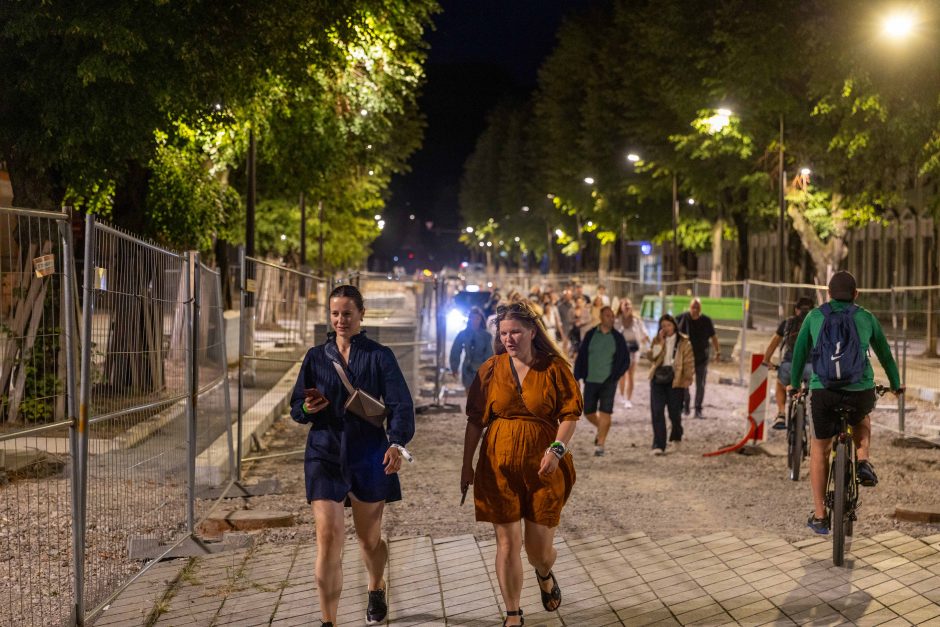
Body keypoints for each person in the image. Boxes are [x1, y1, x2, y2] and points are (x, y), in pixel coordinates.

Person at [289, 285, 415, 627]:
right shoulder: (316, 357)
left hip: (368, 452)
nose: (341, 319)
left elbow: (401, 405)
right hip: (324, 452)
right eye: (335, 313)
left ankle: (376, 586)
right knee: (328, 538)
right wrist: (306, 406)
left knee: (368, 539)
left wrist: (396, 443)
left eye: (347, 313)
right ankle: (328, 620)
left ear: (361, 315)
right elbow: (296, 408)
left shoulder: (379, 355)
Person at [461, 301, 583, 627]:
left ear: (531, 331)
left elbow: (571, 413)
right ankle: (513, 613)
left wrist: (557, 450)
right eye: (503, 333)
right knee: (507, 542)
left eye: (515, 331)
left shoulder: (555, 368)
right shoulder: (490, 369)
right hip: (497, 464)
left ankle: (544, 573)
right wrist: (466, 465)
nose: (509, 338)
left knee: (538, 551)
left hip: (544, 465)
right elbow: (475, 420)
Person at [788, 271, 902, 535]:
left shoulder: (815, 316)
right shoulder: (865, 317)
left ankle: (819, 515)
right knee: (862, 419)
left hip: (823, 391)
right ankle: (862, 460)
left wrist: (795, 384)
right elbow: (885, 353)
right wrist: (895, 384)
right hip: (859, 390)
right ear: (856, 294)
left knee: (820, 448)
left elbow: (799, 353)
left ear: (828, 294)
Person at [574, 306, 631, 456]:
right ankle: (602, 429)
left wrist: (616, 376)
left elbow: (625, 360)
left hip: (609, 381)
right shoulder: (591, 334)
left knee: (606, 412)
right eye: (608, 316)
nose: (611, 319)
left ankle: (600, 444)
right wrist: (577, 377)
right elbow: (581, 357)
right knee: (588, 412)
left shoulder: (618, 337)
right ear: (600, 317)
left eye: (612, 316)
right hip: (591, 380)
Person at [761, 297, 815, 429]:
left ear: (796, 310)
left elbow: (774, 343)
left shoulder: (787, 323)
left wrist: (766, 360)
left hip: (789, 365)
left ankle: (781, 413)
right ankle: (809, 414)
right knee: (812, 389)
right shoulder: (818, 323)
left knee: (780, 383)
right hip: (811, 367)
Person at [646, 314, 695, 455]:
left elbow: (689, 362)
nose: (666, 328)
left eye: (668, 325)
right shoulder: (658, 340)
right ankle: (658, 444)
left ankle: (676, 436)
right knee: (657, 411)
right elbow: (652, 357)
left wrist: (687, 379)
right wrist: (660, 343)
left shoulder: (684, 342)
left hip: (675, 380)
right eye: (663, 326)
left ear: (674, 325)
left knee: (675, 413)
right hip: (658, 379)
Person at [676, 299, 720, 419]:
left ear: (700, 309)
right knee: (684, 383)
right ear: (689, 307)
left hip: (701, 357)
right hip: (686, 357)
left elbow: (714, 337)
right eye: (693, 307)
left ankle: (698, 409)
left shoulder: (706, 320)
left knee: (700, 384)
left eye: (697, 308)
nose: (695, 310)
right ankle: (685, 405)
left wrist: (718, 351)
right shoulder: (682, 318)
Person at [615, 297, 650, 409]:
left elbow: (644, 332)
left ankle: (628, 399)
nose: (627, 306)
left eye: (629, 305)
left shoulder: (637, 320)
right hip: (621, 350)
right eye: (625, 305)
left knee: (631, 375)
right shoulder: (616, 320)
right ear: (621, 307)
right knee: (622, 374)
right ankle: (621, 395)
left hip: (634, 350)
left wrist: (645, 337)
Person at [450, 306, 494, 390]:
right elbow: (455, 351)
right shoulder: (463, 334)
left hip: (481, 370)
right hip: (467, 369)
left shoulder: (486, 336)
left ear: (481, 319)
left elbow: (489, 354)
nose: (475, 321)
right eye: (473, 318)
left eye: (477, 318)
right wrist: (454, 367)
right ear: (469, 319)